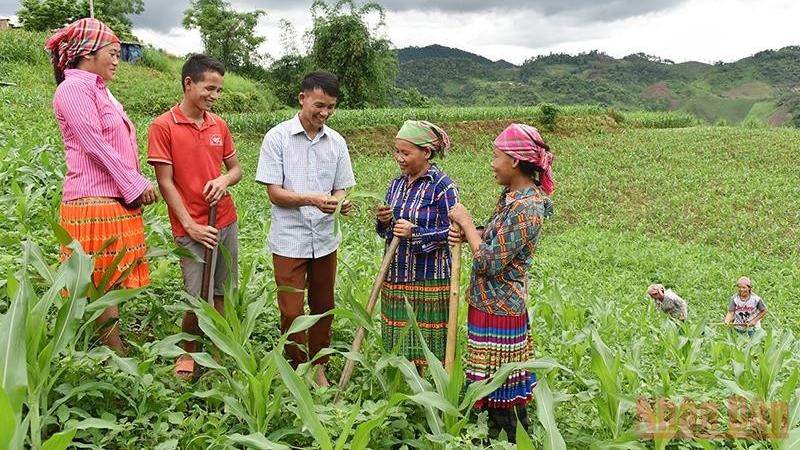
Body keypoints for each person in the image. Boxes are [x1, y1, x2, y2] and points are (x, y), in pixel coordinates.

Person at [46, 18, 159, 353]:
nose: (116, 60)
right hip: (92, 199)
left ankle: (110, 343)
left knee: (110, 280)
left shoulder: (100, 91)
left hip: (112, 199)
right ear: (88, 53)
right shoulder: (72, 89)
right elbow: (95, 144)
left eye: (118, 54)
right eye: (111, 53)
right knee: (103, 282)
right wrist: (135, 183)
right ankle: (112, 351)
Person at [448, 123, 554, 442]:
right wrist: (474, 233)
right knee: (491, 382)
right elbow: (496, 240)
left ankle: (512, 440)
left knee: (502, 385)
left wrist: (467, 224)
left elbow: (490, 262)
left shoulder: (527, 207)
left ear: (515, 161)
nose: (492, 163)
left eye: (496, 156)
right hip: (488, 303)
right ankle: (493, 437)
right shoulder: (511, 196)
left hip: (501, 307)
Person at [255, 71, 355, 387]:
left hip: (325, 239)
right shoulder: (277, 138)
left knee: (324, 307)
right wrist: (312, 199)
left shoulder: (336, 142)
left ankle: (319, 365)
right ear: (303, 98)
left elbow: (341, 188)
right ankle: (298, 366)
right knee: (292, 309)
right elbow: (275, 193)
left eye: (331, 107)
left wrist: (339, 203)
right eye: (319, 105)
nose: (324, 113)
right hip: (290, 240)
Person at [147, 54, 242, 379]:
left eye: (218, 90)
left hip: (225, 219)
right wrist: (190, 225)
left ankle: (217, 351)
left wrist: (224, 180)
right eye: (209, 88)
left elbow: (236, 169)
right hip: (192, 227)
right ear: (189, 83)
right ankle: (188, 352)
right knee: (195, 295)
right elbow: (165, 181)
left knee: (221, 292)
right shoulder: (163, 126)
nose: (214, 96)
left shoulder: (219, 124)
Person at [376, 120, 459, 371]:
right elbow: (387, 232)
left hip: (429, 277)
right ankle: (404, 386)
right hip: (396, 272)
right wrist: (384, 221)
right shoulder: (396, 185)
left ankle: (432, 391)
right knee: (400, 344)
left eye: (406, 152)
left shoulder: (443, 187)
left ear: (426, 153)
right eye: (397, 151)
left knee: (428, 344)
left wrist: (417, 233)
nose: (399, 158)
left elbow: (454, 232)